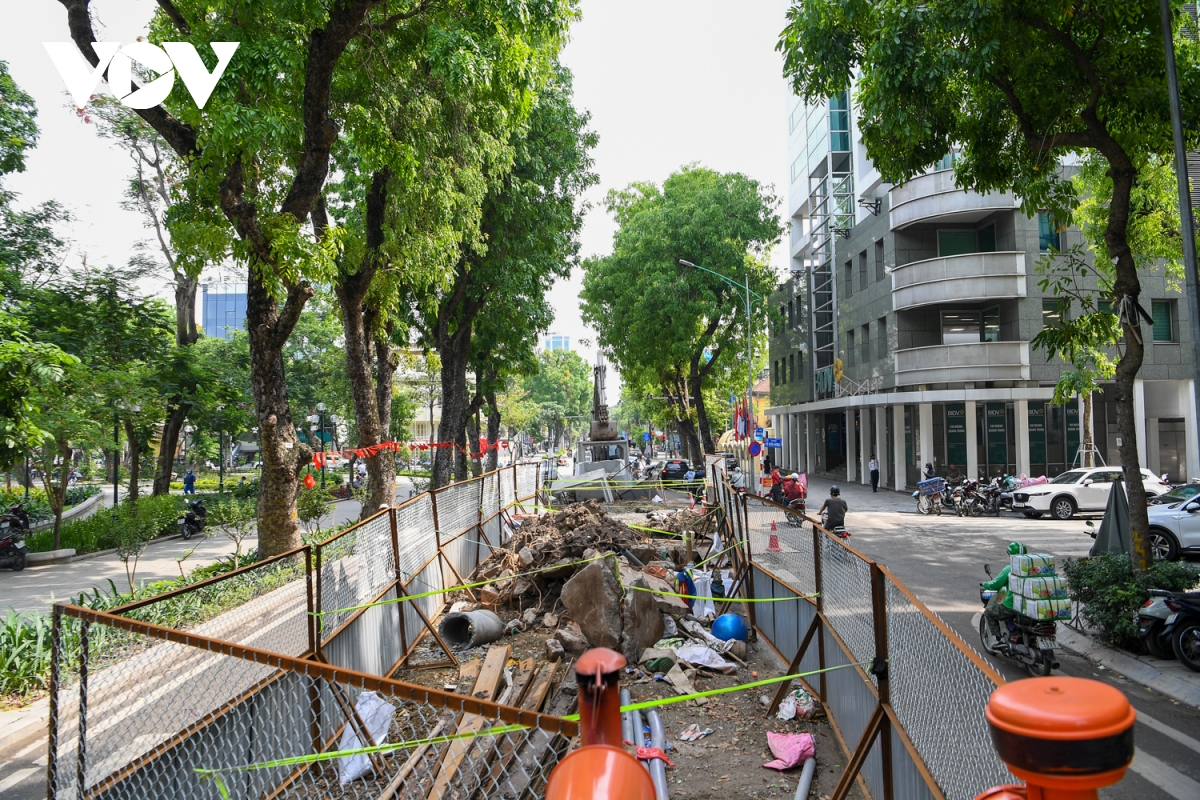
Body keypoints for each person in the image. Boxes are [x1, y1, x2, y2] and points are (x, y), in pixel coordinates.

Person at [983, 542, 1027, 649]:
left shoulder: (1010, 569)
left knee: (989, 613)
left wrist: (985, 584)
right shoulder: (1032, 568)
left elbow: (996, 584)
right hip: (1028, 607)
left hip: (1012, 606)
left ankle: (995, 641)